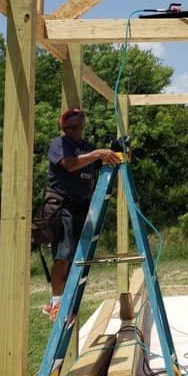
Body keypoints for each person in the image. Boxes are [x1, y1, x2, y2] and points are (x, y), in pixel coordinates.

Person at [43, 107, 121, 318]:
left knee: (77, 255)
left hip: (82, 205)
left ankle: (67, 299)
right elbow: (70, 164)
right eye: (75, 114)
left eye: (81, 114)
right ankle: (56, 301)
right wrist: (97, 153)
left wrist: (116, 152)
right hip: (63, 205)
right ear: (66, 123)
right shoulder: (60, 144)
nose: (80, 116)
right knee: (63, 255)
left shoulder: (85, 146)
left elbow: (101, 160)